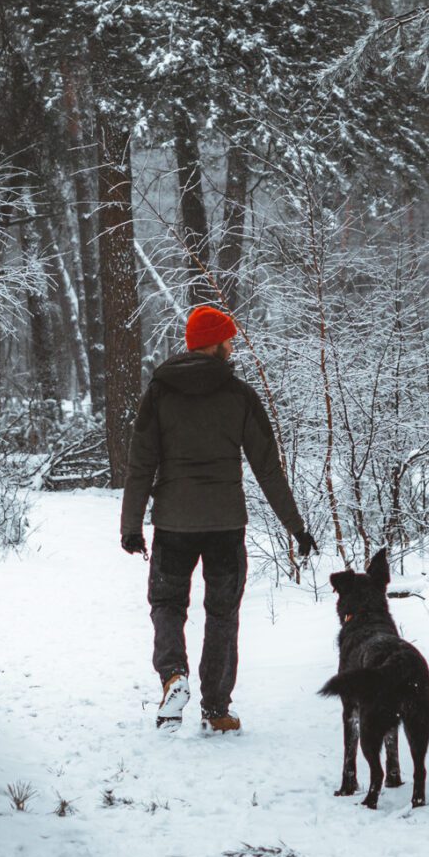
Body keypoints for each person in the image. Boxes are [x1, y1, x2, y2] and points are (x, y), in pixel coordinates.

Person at [121, 305, 316, 733]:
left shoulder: (159, 392)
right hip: (226, 526)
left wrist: (131, 526)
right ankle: (216, 710)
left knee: (167, 604)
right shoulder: (239, 395)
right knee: (222, 614)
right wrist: (296, 526)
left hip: (173, 523)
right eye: (229, 339)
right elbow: (268, 467)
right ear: (214, 344)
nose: (233, 347)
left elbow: (140, 464)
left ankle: (174, 675)